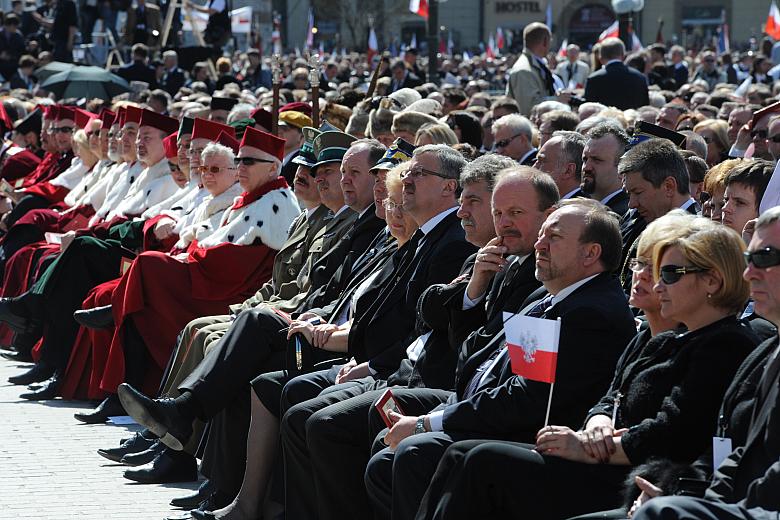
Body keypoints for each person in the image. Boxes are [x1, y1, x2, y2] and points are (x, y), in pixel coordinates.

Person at [415, 215, 759, 520]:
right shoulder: (663, 338)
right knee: (461, 455)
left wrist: (588, 446)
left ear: (712, 282)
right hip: (603, 458)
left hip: (631, 476)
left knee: (479, 462)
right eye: (641, 267)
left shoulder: (724, 345)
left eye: (667, 273)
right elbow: (612, 396)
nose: (654, 283)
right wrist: (597, 423)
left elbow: (674, 430)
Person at [363, 198, 637, 520]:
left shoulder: (590, 313)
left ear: (591, 253)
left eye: (555, 237)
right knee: (384, 455)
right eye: (542, 235)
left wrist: (426, 423)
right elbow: (479, 357)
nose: (540, 244)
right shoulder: (546, 295)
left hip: (522, 432)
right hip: (481, 402)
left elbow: (526, 399)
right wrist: (437, 414)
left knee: (414, 452)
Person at [632, 207, 780, 520]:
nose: (749, 273)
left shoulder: (732, 344)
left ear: (711, 280)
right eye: (748, 260)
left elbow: (673, 431)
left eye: (765, 258)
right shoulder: (766, 353)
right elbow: (732, 449)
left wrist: (691, 505)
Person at [584, 37, 649, 110]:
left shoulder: (594, 79)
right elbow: (645, 108)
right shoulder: (640, 77)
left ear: (600, 58)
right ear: (623, 56)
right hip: (633, 120)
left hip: (604, 121)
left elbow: (588, 110)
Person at [581, 122, 630, 217]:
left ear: (621, 166)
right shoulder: (586, 207)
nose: (586, 167)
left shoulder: (622, 214)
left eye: (596, 160)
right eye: (585, 159)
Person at [534, 130, 586, 199]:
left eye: (541, 161)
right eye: (537, 161)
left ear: (568, 170)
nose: (534, 167)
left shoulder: (583, 208)